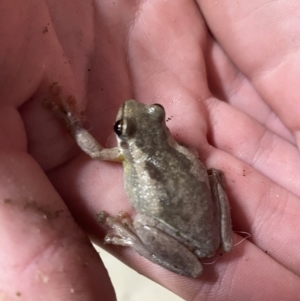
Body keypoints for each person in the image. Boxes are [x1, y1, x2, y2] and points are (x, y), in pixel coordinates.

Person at [1, 1, 300, 300]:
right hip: (202, 221)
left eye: (155, 112)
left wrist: (75, 126)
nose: (138, 110)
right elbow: (194, 164)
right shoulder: (176, 148)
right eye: (123, 129)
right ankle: (149, 234)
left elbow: (94, 152)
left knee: (143, 222)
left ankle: (134, 238)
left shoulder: (122, 154)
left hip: (184, 225)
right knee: (208, 181)